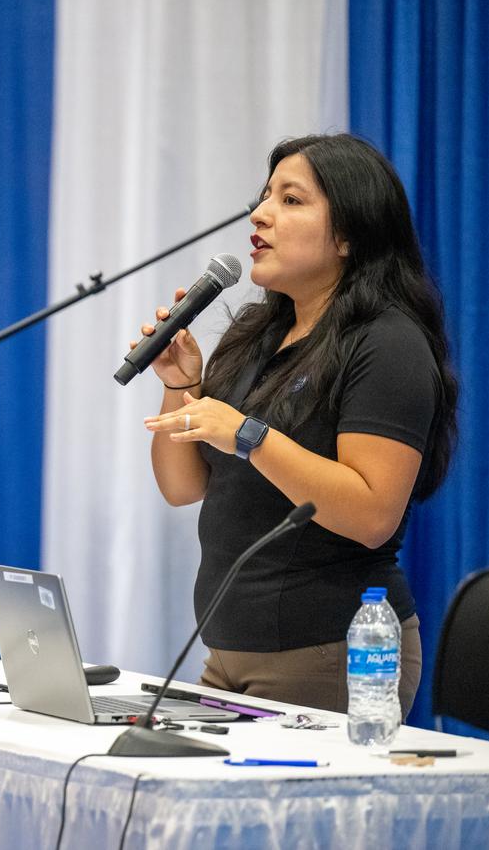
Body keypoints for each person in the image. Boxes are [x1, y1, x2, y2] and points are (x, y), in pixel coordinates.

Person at [139, 134, 458, 718]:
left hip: (332, 652)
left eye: (291, 200)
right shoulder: (254, 334)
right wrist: (181, 384)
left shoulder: (386, 343)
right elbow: (182, 488)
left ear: (348, 236)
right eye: (264, 197)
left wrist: (249, 436)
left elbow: (370, 513)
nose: (259, 214)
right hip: (228, 653)